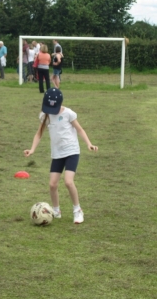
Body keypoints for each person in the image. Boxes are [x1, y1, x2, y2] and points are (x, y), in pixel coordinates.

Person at [24, 88, 98, 224]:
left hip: (72, 152)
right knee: (52, 184)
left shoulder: (68, 114)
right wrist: (32, 149)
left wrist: (89, 144)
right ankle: (56, 210)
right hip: (57, 154)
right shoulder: (45, 115)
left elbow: (80, 129)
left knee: (68, 182)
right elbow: (39, 133)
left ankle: (77, 210)